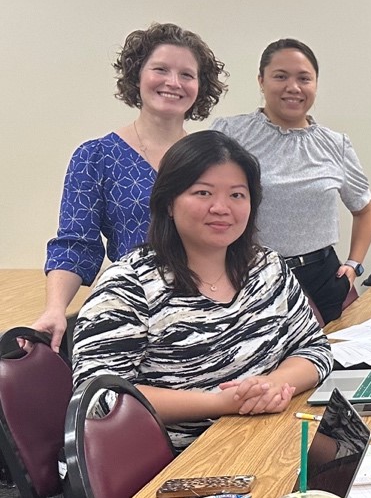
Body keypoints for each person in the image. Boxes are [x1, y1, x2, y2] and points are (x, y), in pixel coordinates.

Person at [70, 131, 333, 450]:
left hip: (265, 437)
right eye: (203, 192)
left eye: (237, 195)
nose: (221, 207)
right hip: (176, 459)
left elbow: (315, 348)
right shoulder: (129, 284)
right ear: (169, 202)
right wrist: (219, 403)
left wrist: (272, 384)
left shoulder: (268, 267)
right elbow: (98, 399)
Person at [32, 23, 227, 351]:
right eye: (160, 69)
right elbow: (76, 245)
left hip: (208, 312)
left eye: (186, 74)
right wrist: (55, 309)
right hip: (133, 311)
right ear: (137, 75)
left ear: (200, 86)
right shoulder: (96, 156)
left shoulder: (215, 159)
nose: (173, 82)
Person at [213, 39, 371, 323]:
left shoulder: (335, 144)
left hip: (325, 278)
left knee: (338, 349)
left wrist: (354, 265)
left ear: (316, 84)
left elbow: (364, 210)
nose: (293, 87)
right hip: (254, 276)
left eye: (304, 78)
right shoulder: (231, 133)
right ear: (261, 81)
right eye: (280, 76)